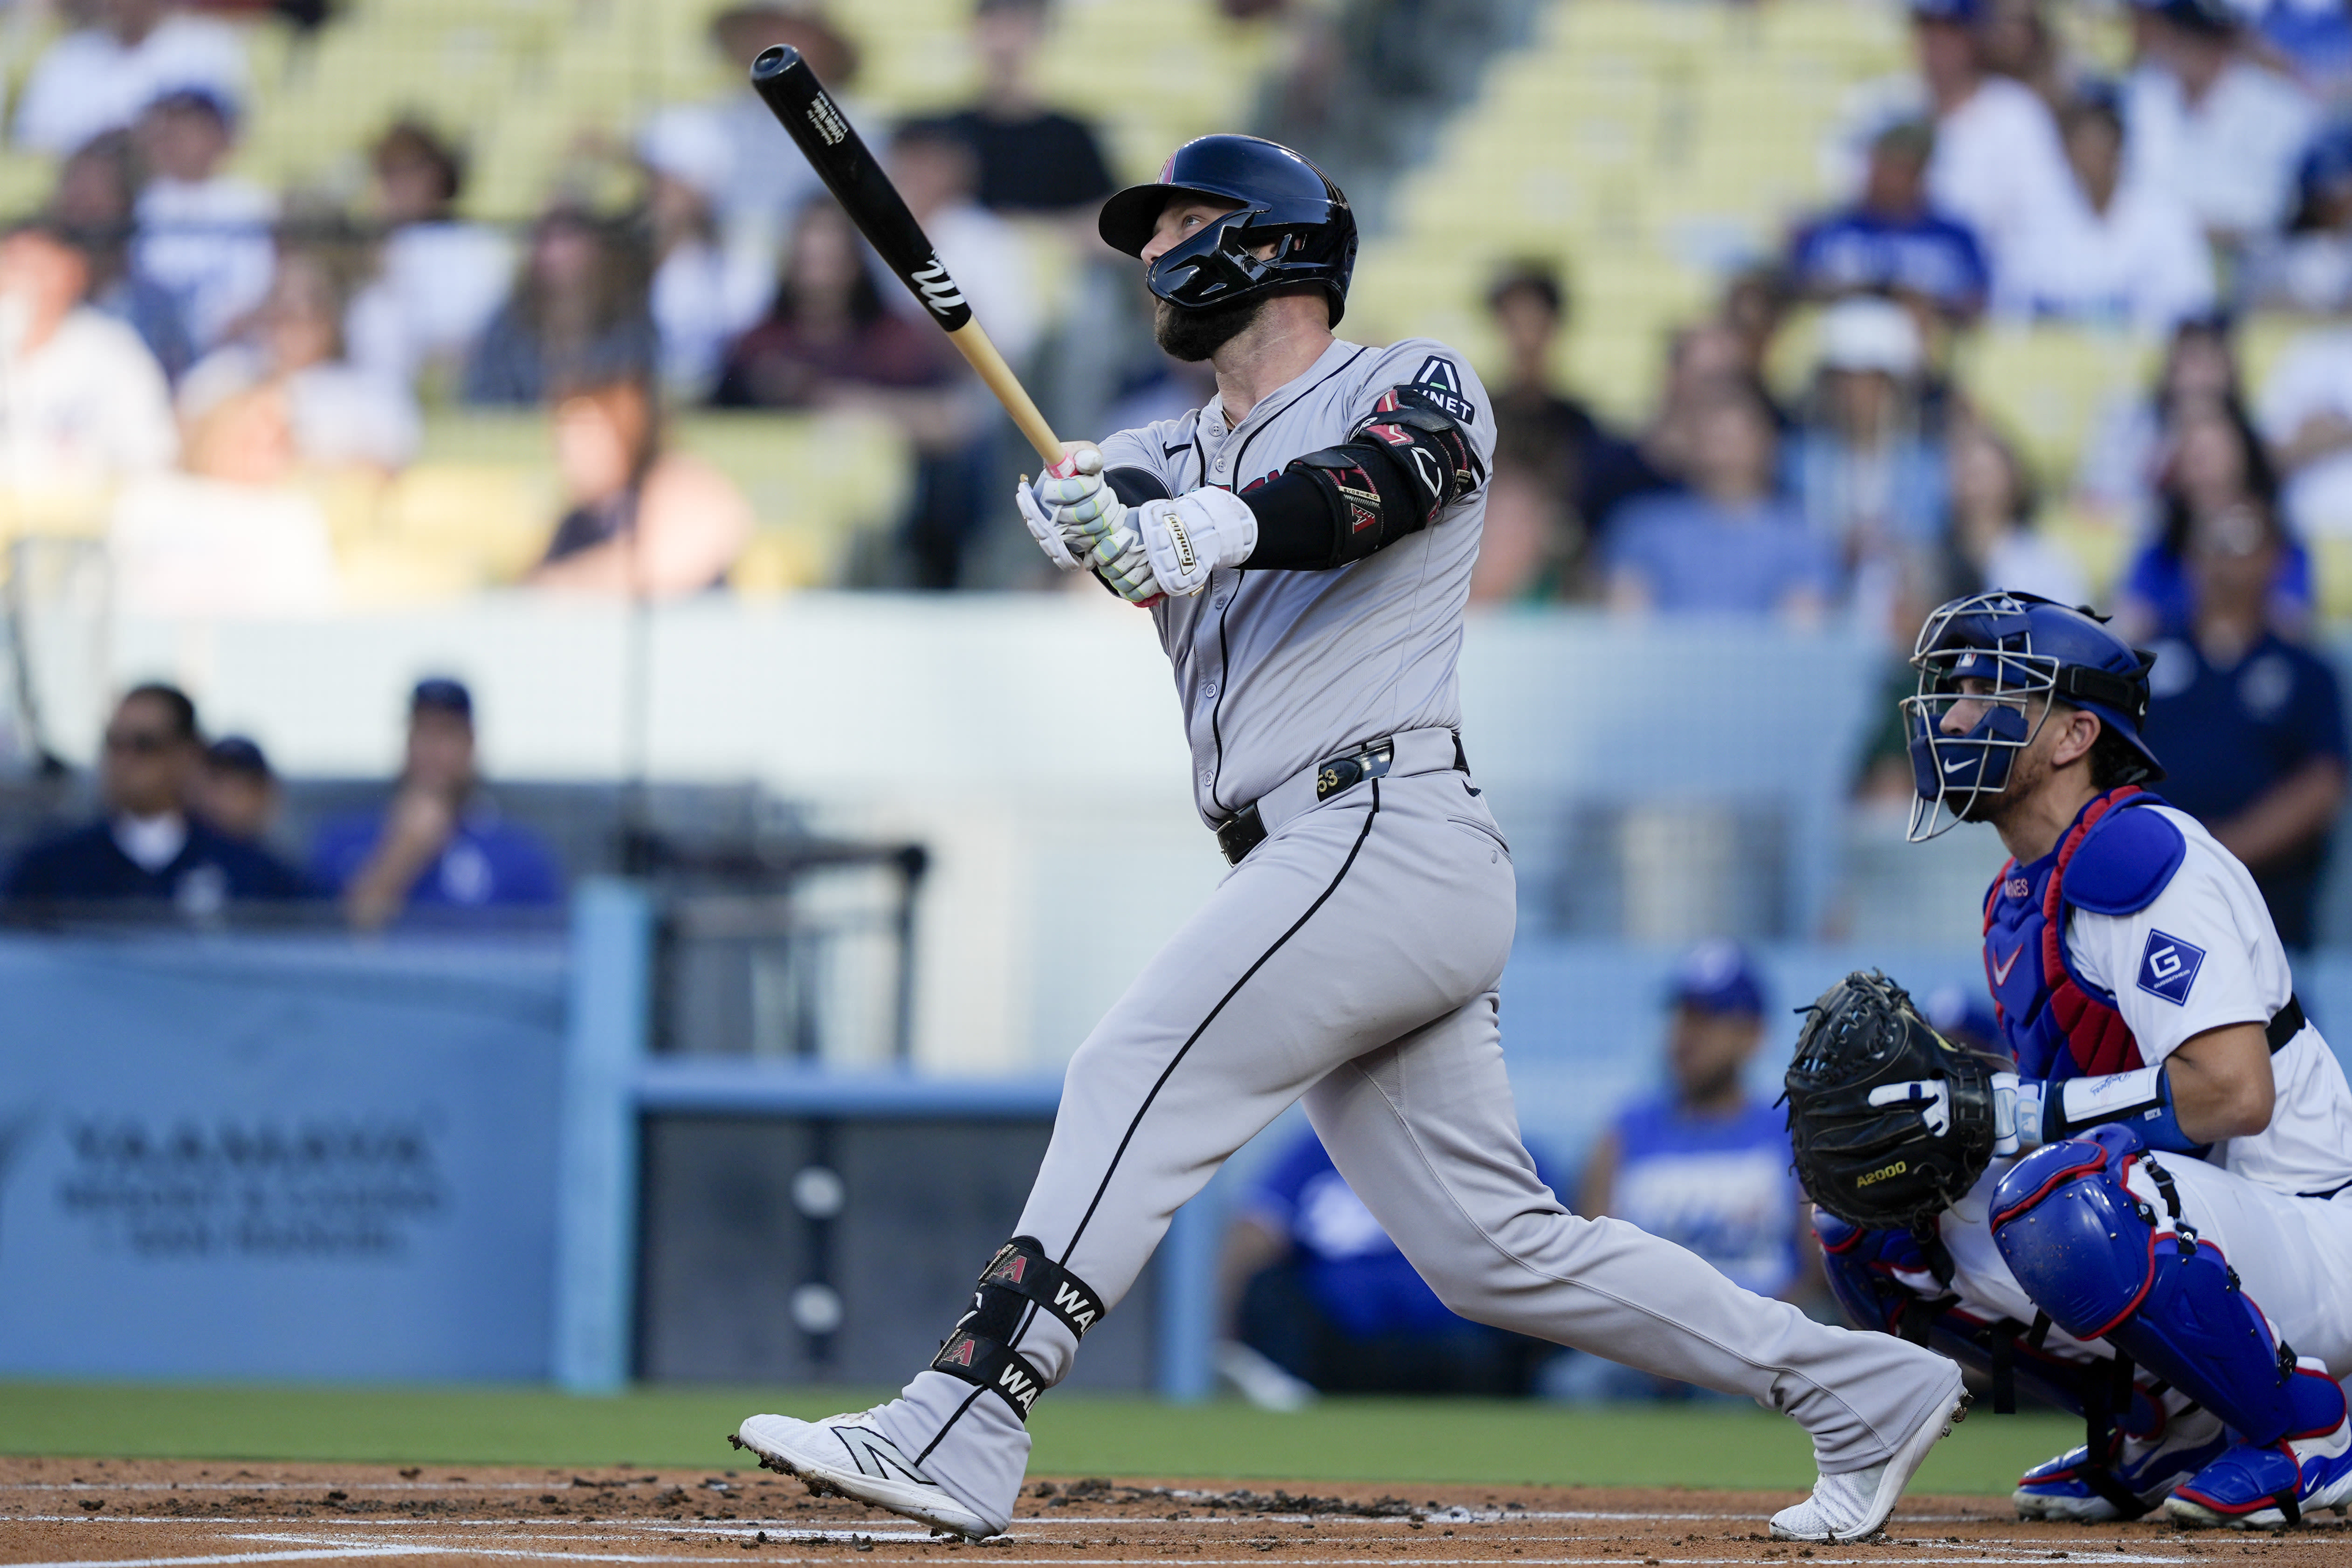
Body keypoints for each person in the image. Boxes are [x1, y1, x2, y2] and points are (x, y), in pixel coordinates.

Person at [733, 131, 1968, 1548]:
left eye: (1183, 223)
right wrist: (1079, 512)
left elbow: (1378, 486)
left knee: (1132, 1061)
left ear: (1269, 246)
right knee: (1494, 1249)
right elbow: (1109, 497)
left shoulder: (1406, 378)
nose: (1153, 254)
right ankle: (1856, 1384)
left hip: (1385, 824)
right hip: (1316, 863)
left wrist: (1200, 526)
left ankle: (968, 1412)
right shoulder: (1164, 440)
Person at [1823, 590, 2352, 1528]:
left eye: (1988, 693)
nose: (1950, 716)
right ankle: (2172, 1423)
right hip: (2196, 1217)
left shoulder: (2137, 853)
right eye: (1951, 690)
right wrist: (1957, 1102)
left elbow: (2235, 1091)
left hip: (2312, 1229)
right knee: (1875, 1204)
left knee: (2060, 1191)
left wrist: (2012, 1111)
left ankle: (2306, 1428)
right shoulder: (2020, 891)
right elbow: (2088, 1098)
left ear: (2072, 735)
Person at [715, 199, 975, 587]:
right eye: (808, 260)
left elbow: (950, 422)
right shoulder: (756, 346)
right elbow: (713, 431)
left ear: (854, 264)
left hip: (878, 528)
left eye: (830, 260)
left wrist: (831, 402)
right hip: (768, 519)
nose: (819, 276)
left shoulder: (894, 341)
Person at [1220, 1124, 1567, 1397]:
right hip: (1333, 1339)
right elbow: (1257, 1229)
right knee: (1268, 1289)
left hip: (1459, 1343)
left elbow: (1547, 1248)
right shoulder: (1322, 1148)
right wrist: (1223, 1328)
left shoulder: (1500, 1153)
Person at [1580, 942, 1819, 1330]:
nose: (1685, 1034)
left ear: (1752, 1034)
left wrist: (1750, 1337)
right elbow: (1589, 1269)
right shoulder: (1625, 1131)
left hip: (1761, 1345)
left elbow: (1818, 1274)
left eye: (1707, 1019)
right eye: (1681, 1016)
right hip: (1639, 1346)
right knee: (1578, 1384)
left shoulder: (1793, 1135)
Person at [2140, 504, 2348, 949]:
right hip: (2148, 898)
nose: (2222, 561)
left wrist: (2216, 851)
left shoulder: (2307, 671)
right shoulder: (2144, 662)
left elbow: (2322, 785)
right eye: (2210, 544)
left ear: (2275, 559)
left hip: (2267, 911)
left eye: (2239, 544)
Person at [1, 684, 304, 913]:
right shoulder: (51, 869)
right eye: (114, 743)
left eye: (145, 745)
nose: (124, 760)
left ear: (187, 754)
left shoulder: (248, 872)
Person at [308, 678, 564, 930]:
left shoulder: (519, 857)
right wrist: (404, 851)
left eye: (448, 733)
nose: (432, 750)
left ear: (471, 745)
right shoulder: (344, 842)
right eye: (422, 731)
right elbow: (323, 942)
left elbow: (548, 952)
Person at [1784, 296, 1948, 639]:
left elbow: (1926, 549)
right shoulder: (1797, 460)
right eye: (1846, 381)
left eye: (1871, 381)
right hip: (1819, 615)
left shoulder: (1925, 465)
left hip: (1900, 620)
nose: (1858, 395)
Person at [1606, 381, 1837, 621]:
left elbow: (1802, 637)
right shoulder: (1643, 525)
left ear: (1767, 443)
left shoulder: (1802, 532)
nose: (1723, 451)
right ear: (1689, 442)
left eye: (1734, 438)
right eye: (1713, 437)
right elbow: (1627, 629)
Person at [1474, 261, 1635, 602]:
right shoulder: (1479, 415)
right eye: (1514, 323)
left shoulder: (1581, 427)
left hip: (1561, 587)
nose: (1525, 338)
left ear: (1554, 327)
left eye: (1535, 323)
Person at [178, 249, 421, 473]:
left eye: (308, 311)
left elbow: (391, 465)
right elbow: (182, 438)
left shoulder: (365, 393)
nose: (291, 326)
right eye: (281, 311)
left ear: (331, 322)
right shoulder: (226, 373)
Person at [1994, 89, 2214, 333]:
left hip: (2147, 354)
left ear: (2119, 144)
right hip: (2059, 358)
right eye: (2081, 143)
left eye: (2099, 141)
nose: (2091, 153)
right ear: (2066, 152)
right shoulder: (2035, 218)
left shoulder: (2165, 215)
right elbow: (2014, 307)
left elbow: (2193, 303)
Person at [1907, 0, 2078, 295]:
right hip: (1906, 281)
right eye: (1928, 32)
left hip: (1993, 293)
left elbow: (2046, 225)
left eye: (1950, 33)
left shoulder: (2018, 115)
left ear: (1975, 39)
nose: (1936, 46)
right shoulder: (1884, 109)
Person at [528, 376, 753, 596]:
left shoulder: (681, 486)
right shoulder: (578, 523)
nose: (570, 459)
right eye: (563, 444)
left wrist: (562, 587)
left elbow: (663, 568)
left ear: (628, 434)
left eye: (585, 440)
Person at [0, 219, 179, 490]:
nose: (23, 282)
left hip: (81, 517)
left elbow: (151, 450)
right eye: (14, 265)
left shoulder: (112, 350)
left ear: (74, 272)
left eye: (38, 269)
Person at [2123, 0, 2319, 247]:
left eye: (2194, 39)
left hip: (2249, 254)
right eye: (2177, 35)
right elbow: (2143, 184)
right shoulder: (2148, 89)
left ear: (2222, 44)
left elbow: (2267, 211)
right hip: (2159, 248)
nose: (2180, 48)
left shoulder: (2280, 106)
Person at [2115, 396, 2308, 641]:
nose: (2201, 466)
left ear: (2241, 458)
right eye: (2192, 454)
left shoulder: (2279, 542)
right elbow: (2131, 626)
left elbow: (2291, 626)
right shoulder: (2160, 548)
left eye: (2211, 452)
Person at [343, 119, 515, 392]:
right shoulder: (372, 250)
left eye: (408, 171)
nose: (397, 185)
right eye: (387, 173)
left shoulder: (479, 245)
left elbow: (482, 329)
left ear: (438, 174)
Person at [1788, 121, 1990, 323]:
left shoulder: (1954, 238)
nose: (1882, 176)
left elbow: (1976, 302)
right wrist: (1864, 295)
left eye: (1898, 167)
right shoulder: (1830, 229)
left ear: (1920, 173)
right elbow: (1799, 291)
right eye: (1879, 163)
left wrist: (1925, 304)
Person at [938, 0, 1117, 220]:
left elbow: (1107, 223)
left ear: (1041, 35)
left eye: (1017, 25)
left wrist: (1034, 234)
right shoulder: (943, 137)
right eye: (994, 26)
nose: (1004, 43)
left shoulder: (1072, 138)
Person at [462, 205, 657, 406]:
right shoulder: (508, 324)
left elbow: (641, 396)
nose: (556, 252)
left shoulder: (630, 320)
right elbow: (484, 404)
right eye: (545, 239)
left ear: (597, 246)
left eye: (568, 237)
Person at [130, 88, 275, 352]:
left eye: (191, 130)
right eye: (172, 132)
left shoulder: (249, 202)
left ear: (220, 136)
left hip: (234, 347)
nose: (179, 141)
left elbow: (257, 289)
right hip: (153, 342)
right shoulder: (143, 202)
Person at [11, 0, 246, 158]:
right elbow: (34, 143)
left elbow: (234, 131)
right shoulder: (68, 53)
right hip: (85, 207)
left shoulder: (207, 44)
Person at [50, 131, 194, 381]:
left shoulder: (157, 310)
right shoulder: (41, 299)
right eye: (76, 185)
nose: (81, 203)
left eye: (97, 190)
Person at [1945, 416, 2089, 606]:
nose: (1976, 488)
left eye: (1986, 473)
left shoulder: (2045, 563)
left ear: (2013, 481)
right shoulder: (1937, 559)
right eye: (1968, 474)